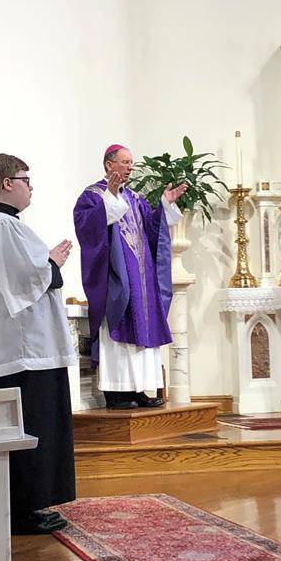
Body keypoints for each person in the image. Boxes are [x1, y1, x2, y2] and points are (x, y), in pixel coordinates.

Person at [0, 153, 76, 535]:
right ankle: (24, 509)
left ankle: (31, 506)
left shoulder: (2, 226)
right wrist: (52, 262)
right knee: (33, 430)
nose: (30, 186)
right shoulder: (2, 225)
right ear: (7, 184)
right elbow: (25, 281)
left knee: (39, 429)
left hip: (30, 351)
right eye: (26, 179)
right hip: (24, 353)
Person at [73, 144, 186, 410]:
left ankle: (139, 391)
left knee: (144, 333)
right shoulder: (92, 196)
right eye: (124, 162)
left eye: (131, 163)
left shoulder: (135, 198)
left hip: (142, 281)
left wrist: (164, 206)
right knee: (119, 331)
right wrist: (110, 198)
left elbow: (151, 229)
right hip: (116, 278)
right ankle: (116, 393)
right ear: (109, 165)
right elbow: (87, 230)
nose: (130, 168)